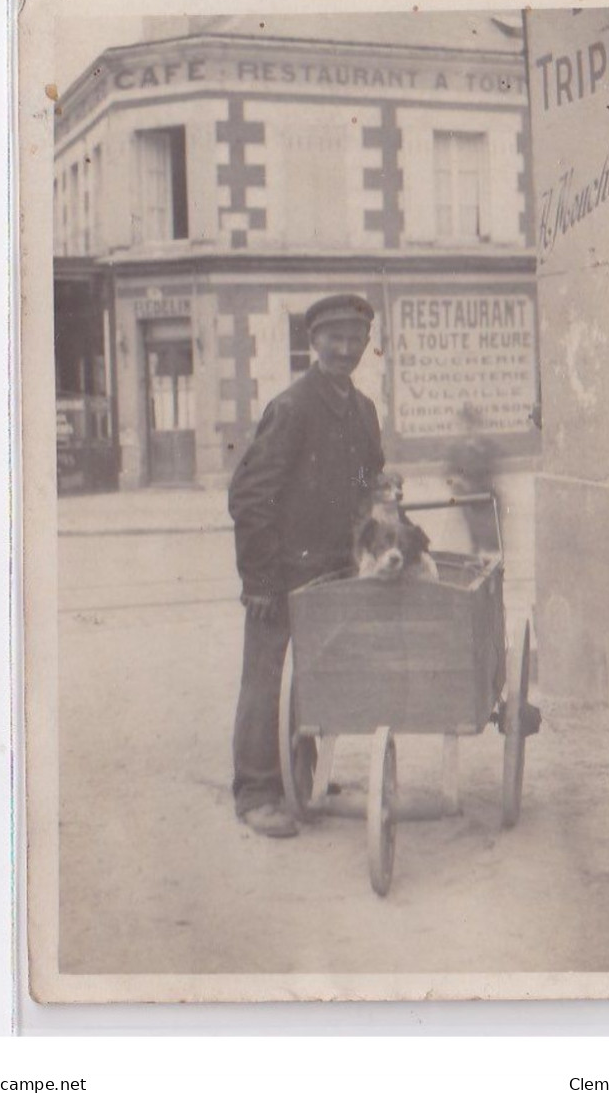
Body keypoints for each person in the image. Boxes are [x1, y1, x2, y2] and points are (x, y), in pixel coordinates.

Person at [228, 294, 384, 837]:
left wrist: (379, 494)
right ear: (313, 343)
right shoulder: (291, 408)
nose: (344, 349)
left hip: (336, 569)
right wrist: (260, 581)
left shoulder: (363, 411)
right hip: (282, 572)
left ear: (367, 344)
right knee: (265, 680)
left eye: (354, 339)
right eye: (332, 338)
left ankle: (303, 778)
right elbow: (251, 496)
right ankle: (256, 792)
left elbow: (367, 482)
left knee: (317, 678)